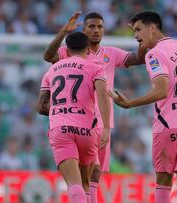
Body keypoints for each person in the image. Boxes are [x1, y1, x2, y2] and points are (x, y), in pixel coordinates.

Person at [109, 11, 177, 203]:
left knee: (163, 183)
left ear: (153, 28)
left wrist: (130, 103)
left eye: (139, 30)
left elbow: (162, 90)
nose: (135, 35)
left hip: (167, 125)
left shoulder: (155, 54)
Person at [43, 11, 146, 203]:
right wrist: (63, 32)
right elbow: (48, 56)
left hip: (102, 121)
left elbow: (139, 59)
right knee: (84, 175)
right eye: (91, 26)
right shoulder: (68, 51)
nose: (96, 30)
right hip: (79, 120)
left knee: (95, 174)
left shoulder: (111, 53)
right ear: (83, 29)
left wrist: (139, 38)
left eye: (100, 26)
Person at [37, 32, 111, 203]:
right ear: (88, 50)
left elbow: (40, 107)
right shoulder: (96, 68)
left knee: (73, 184)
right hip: (87, 131)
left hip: (61, 130)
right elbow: (102, 96)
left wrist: (61, 110)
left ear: (67, 51)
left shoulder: (52, 70)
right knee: (86, 183)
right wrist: (106, 127)